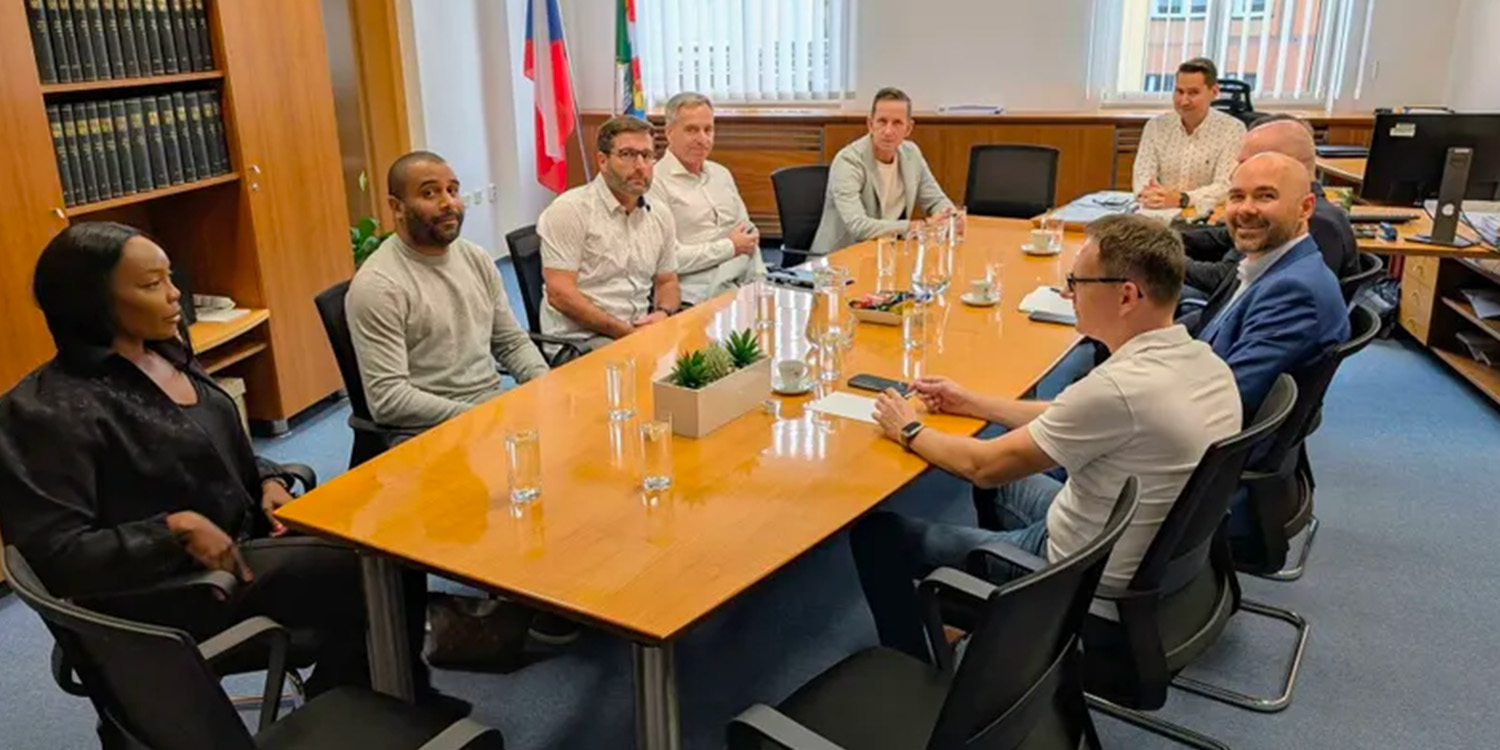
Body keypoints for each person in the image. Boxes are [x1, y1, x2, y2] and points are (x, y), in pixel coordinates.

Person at [0, 223, 462, 713]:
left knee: (386, 529)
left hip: (239, 545)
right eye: (152, 284)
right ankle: (369, 705)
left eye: (169, 277)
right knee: (370, 565)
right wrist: (173, 531)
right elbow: (59, 557)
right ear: (91, 302)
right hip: (171, 590)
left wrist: (268, 479)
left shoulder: (164, 353)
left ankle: (369, 697)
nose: (176, 294)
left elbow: (211, 451)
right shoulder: (46, 411)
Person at [854, 214, 1242, 662]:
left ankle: (915, 671)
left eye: (1078, 282)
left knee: (876, 535)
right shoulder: (1203, 362)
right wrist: (973, 403)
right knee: (1006, 458)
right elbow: (1070, 416)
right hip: (1131, 548)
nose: (1068, 292)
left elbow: (983, 467)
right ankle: (994, 620)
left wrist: (907, 428)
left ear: (1126, 295)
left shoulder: (1118, 390)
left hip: (1080, 576)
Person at [347, 151, 549, 432]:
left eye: (452, 190)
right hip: (428, 430)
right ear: (397, 207)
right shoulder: (379, 285)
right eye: (429, 193)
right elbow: (389, 400)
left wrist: (544, 387)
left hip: (488, 412)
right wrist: (483, 416)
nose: (449, 203)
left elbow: (510, 342)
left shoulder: (476, 258)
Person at [1191, 151, 1351, 418]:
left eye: (1266, 196)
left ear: (1306, 208)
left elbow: (1227, 401)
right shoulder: (1268, 264)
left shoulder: (1294, 292)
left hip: (1212, 440)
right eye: (1237, 196)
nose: (1246, 209)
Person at [538, 115, 681, 352]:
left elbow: (667, 281)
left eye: (646, 156)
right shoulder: (570, 210)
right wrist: (624, 332)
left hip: (637, 330)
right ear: (603, 161)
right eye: (627, 154)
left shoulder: (660, 214)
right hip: (581, 340)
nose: (639, 166)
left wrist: (662, 314)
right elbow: (560, 294)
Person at [1181, 115, 1359, 296]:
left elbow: (1226, 281)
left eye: (1247, 163)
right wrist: (1163, 240)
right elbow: (1221, 237)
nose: (1234, 172)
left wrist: (1162, 258)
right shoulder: (1286, 212)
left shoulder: (1316, 224)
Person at [647, 92, 765, 305]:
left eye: (708, 129)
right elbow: (668, 259)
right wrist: (729, 246)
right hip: (695, 296)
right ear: (669, 132)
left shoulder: (721, 173)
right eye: (692, 130)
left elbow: (748, 234)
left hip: (745, 283)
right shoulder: (655, 183)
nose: (702, 139)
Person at [809, 87, 956, 256]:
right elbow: (859, 226)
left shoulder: (911, 155)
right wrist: (919, 226)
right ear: (870, 124)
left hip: (886, 253)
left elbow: (935, 200)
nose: (888, 131)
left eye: (897, 123)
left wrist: (949, 217)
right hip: (839, 260)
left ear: (908, 128)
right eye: (882, 121)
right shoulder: (848, 161)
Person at [1132, 57, 1247, 215]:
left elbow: (1226, 185)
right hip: (1158, 211)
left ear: (1214, 92)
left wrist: (1183, 199)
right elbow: (1142, 176)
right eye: (1179, 91)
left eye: (1193, 93)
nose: (1184, 101)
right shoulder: (1156, 126)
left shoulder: (1233, 129)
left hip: (1204, 217)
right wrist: (1151, 195)